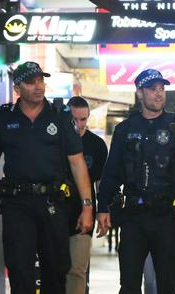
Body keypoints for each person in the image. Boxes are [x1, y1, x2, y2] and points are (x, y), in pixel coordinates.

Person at [0, 61, 94, 294]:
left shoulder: (60, 116)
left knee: (56, 269)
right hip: (17, 204)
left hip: (53, 202)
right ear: (17, 88)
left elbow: (77, 163)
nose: (38, 87)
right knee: (19, 269)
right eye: (31, 82)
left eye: (41, 80)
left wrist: (87, 206)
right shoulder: (4, 117)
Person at [96, 68, 175, 294]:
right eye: (152, 89)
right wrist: (103, 206)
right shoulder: (125, 130)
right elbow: (112, 170)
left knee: (168, 283)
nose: (159, 93)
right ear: (140, 93)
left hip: (167, 215)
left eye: (162, 89)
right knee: (129, 283)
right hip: (134, 216)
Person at [66, 96, 109, 294]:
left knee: (77, 269)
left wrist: (103, 211)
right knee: (54, 268)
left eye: (83, 119)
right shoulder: (56, 141)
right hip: (54, 213)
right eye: (74, 119)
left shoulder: (96, 145)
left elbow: (101, 182)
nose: (79, 124)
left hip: (84, 213)